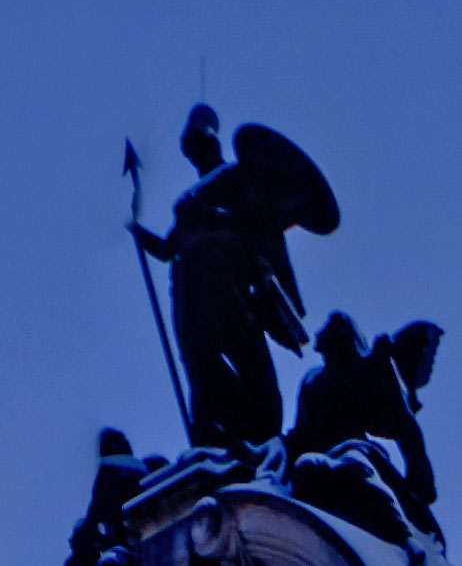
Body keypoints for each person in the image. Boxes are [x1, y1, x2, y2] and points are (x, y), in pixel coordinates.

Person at [129, 104, 339, 447]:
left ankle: (258, 435)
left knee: (250, 366)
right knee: (203, 365)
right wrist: (136, 231)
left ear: (213, 144)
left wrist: (221, 223)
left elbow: (262, 226)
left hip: (229, 286)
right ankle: (211, 434)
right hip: (192, 291)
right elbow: (168, 250)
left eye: (201, 143)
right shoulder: (189, 202)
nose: (197, 152)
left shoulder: (237, 180)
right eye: (192, 146)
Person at [285, 312, 437, 505]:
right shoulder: (313, 381)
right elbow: (301, 432)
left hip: (353, 453)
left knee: (364, 479)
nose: (319, 334)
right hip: (310, 458)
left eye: (330, 331)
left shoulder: (367, 374)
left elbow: (406, 427)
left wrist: (421, 481)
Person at [64, 428, 152, 566]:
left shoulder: (107, 474)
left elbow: (96, 511)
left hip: (123, 540)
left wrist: (83, 539)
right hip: (145, 536)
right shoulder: (144, 473)